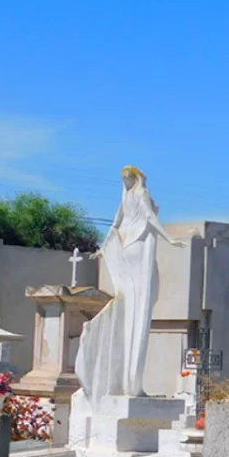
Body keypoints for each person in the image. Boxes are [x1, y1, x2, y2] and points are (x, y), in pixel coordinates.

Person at [75, 166, 185, 406]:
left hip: (129, 245)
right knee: (138, 304)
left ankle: (129, 382)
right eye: (123, 180)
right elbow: (144, 219)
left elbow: (119, 224)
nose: (124, 183)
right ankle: (130, 382)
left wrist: (104, 249)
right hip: (135, 247)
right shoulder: (137, 194)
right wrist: (169, 238)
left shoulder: (132, 195)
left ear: (132, 179)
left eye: (127, 179)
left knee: (136, 303)